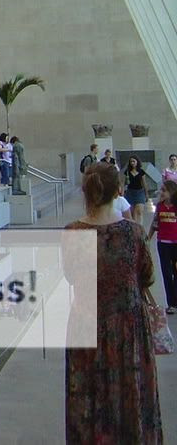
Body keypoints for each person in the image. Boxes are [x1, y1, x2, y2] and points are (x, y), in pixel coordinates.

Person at [62, 162, 161, 443]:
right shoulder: (134, 233)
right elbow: (147, 277)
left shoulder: (73, 232)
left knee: (88, 396)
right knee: (131, 395)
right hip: (128, 328)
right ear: (118, 190)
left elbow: (70, 275)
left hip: (86, 323)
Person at [147, 179, 177, 314]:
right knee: (166, 273)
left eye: (164, 190)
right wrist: (147, 239)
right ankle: (171, 303)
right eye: (161, 190)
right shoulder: (159, 206)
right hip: (163, 244)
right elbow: (154, 224)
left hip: (176, 244)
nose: (161, 192)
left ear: (172, 192)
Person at [123, 156, 149, 225]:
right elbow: (123, 183)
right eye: (131, 161)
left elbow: (144, 183)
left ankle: (140, 226)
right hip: (130, 193)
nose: (132, 163)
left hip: (139, 192)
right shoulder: (127, 172)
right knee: (132, 212)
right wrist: (122, 193)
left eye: (134, 161)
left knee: (139, 211)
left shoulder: (141, 172)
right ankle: (135, 227)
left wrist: (146, 194)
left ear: (137, 162)